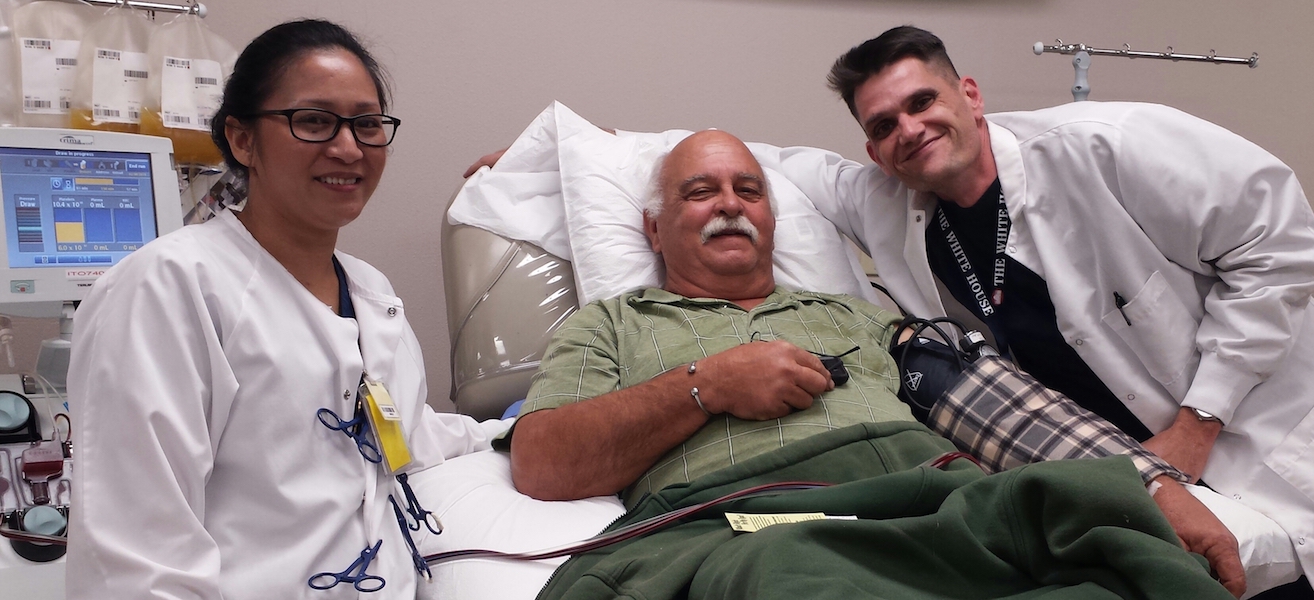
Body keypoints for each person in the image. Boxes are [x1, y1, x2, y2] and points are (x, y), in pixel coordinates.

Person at [504, 128, 1244, 597]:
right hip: (768, 523)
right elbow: (542, 463)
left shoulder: (858, 315)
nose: (729, 203)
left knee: (1110, 541)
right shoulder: (611, 324)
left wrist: (1150, 486)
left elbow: (996, 401)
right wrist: (709, 385)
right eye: (700, 191)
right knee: (787, 578)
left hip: (943, 501)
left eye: (749, 190)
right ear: (653, 228)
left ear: (770, 217)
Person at [752, 25, 1314, 596]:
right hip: (1125, 474)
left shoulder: (1106, 145)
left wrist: (1200, 423)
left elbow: (1278, 243)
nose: (910, 130)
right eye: (884, 126)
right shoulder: (884, 206)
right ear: (874, 153)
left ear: (970, 95)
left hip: (1260, 438)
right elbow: (758, 162)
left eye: (922, 102)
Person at [65, 19, 505, 599]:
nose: (348, 147)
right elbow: (136, 563)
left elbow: (405, 432)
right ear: (243, 139)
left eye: (367, 124)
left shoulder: (370, 294)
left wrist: (516, 431)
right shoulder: (168, 289)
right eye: (315, 121)